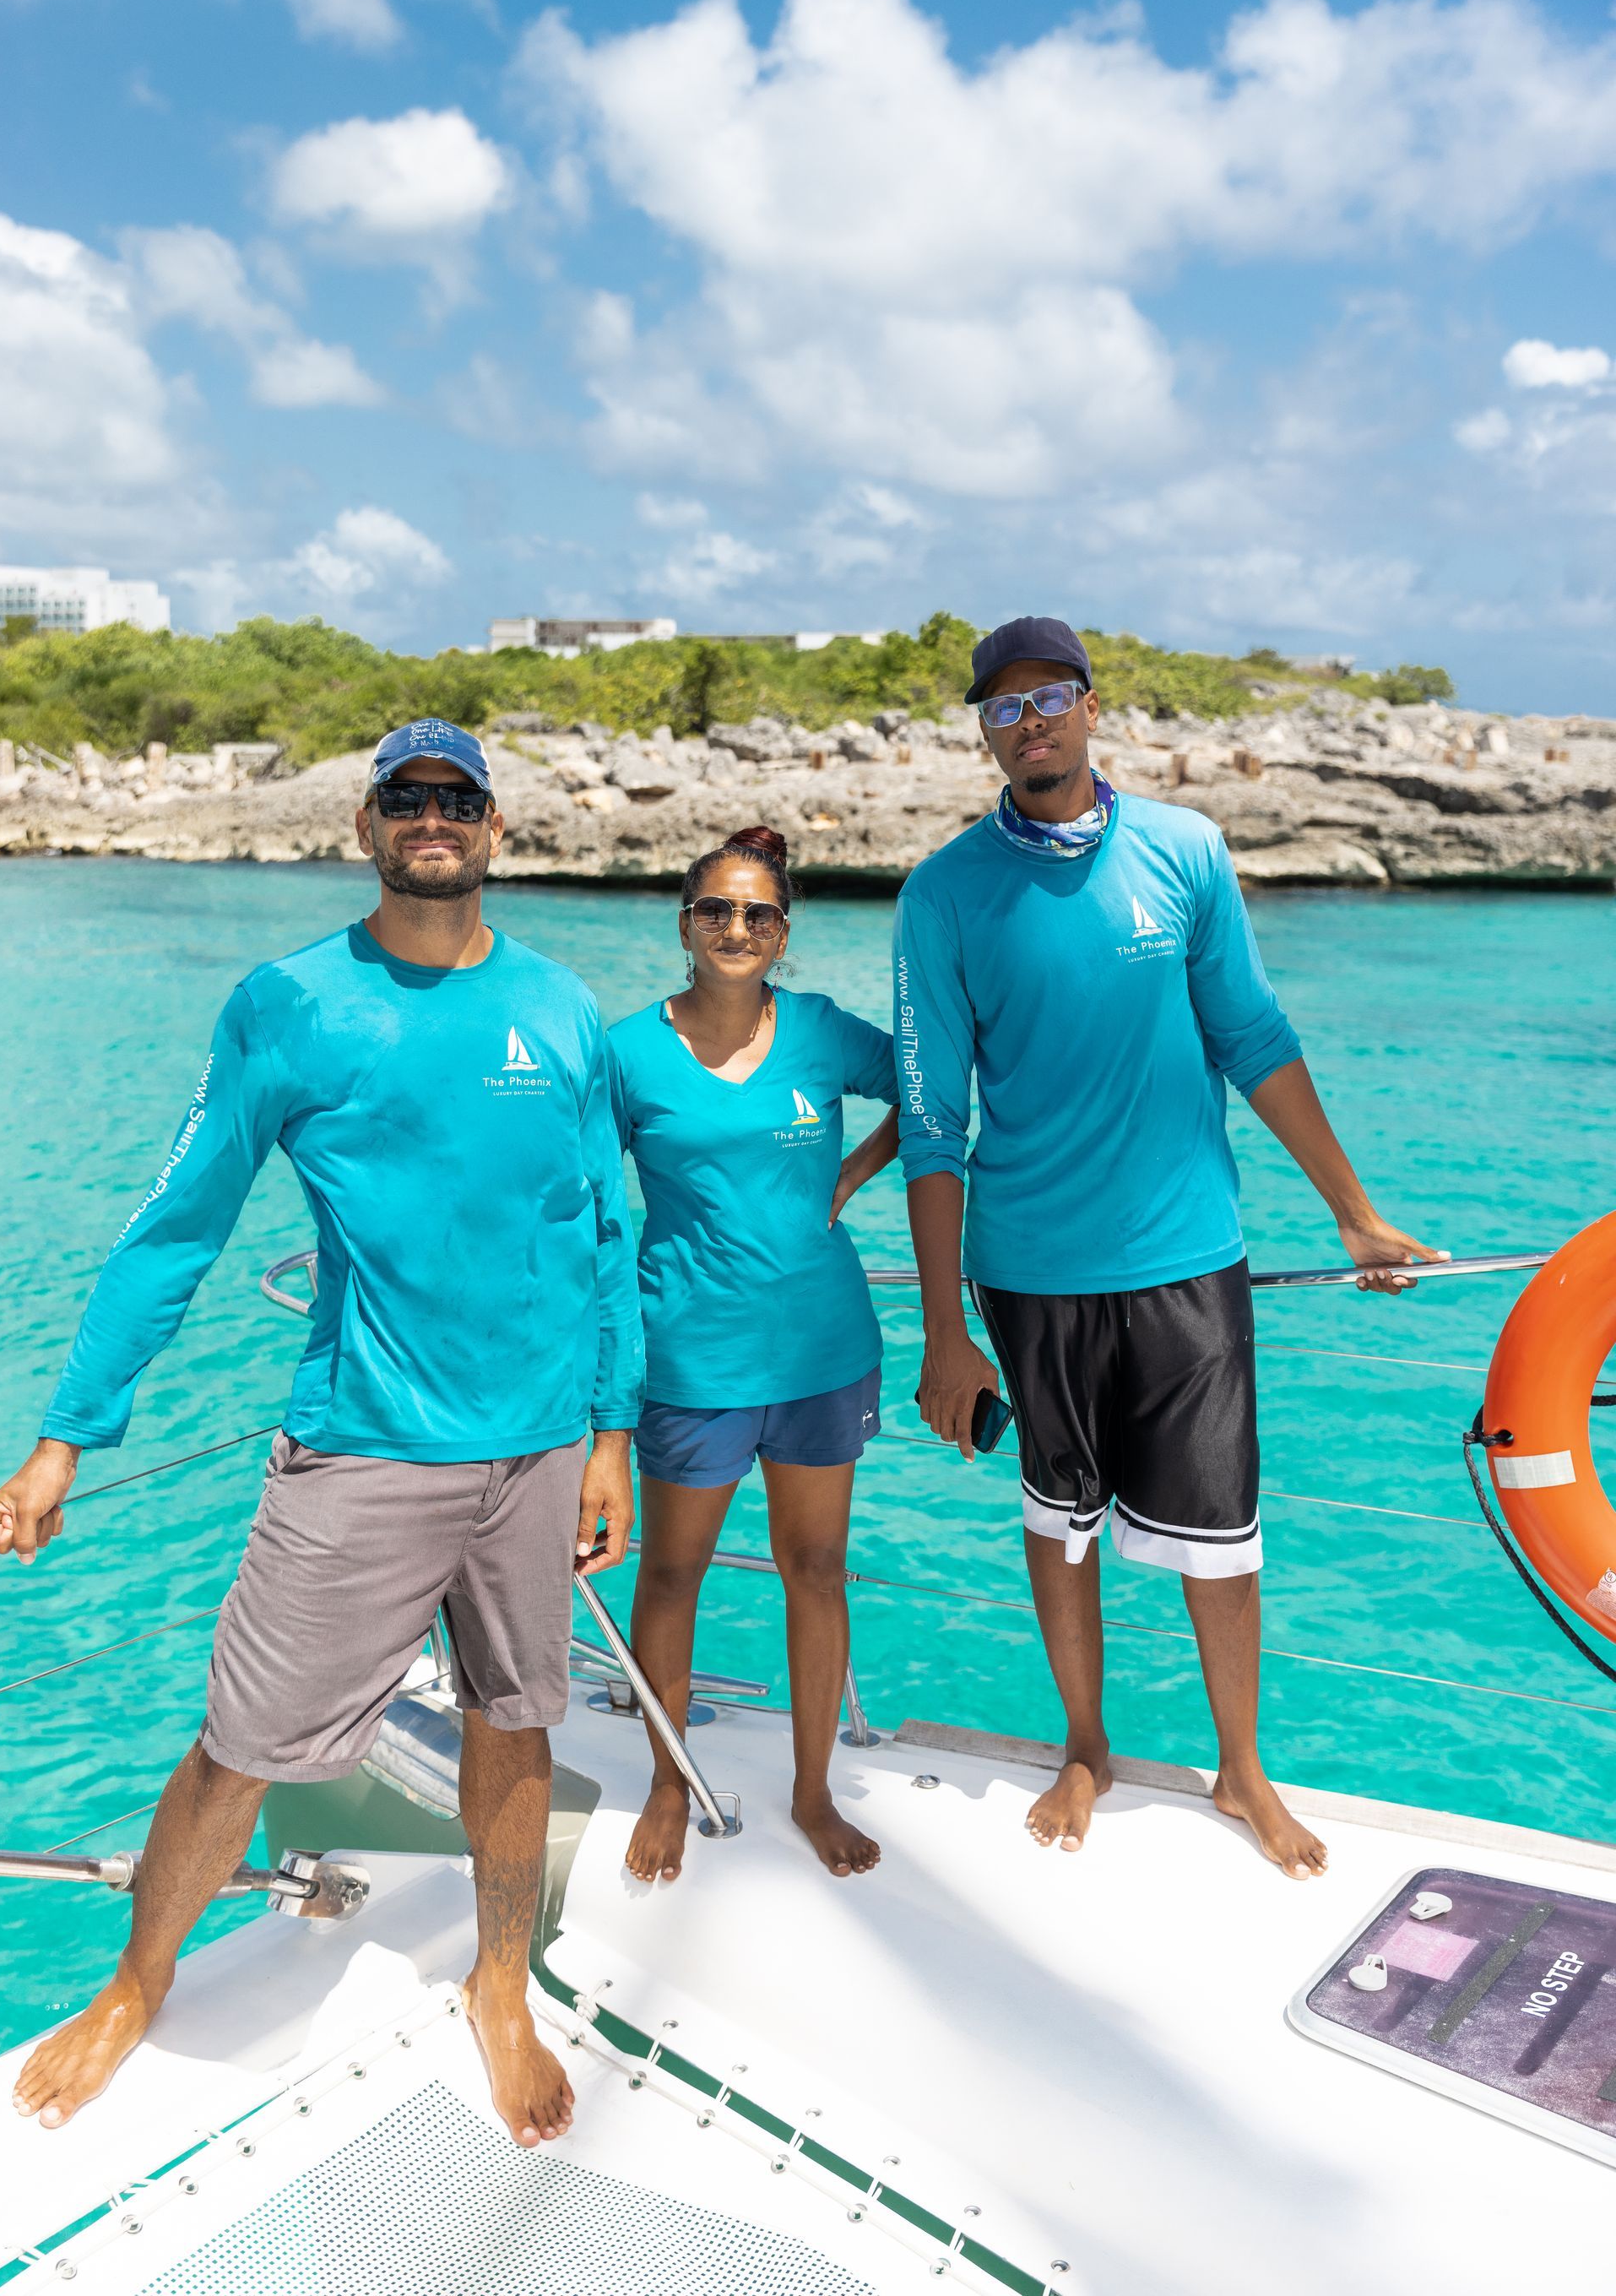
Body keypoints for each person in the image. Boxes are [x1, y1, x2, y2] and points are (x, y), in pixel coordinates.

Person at [0, 718, 643, 2144]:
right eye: (404, 798)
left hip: (537, 1449)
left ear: (492, 827)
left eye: (456, 797)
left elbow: (601, 1229)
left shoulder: (562, 1007)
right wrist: (66, 1435)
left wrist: (611, 1430)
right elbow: (178, 1228)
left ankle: (499, 1977)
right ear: (364, 827)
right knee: (243, 1741)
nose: (432, 817)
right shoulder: (290, 1004)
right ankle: (133, 1978)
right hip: (364, 1447)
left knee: (518, 1722)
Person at [894, 618, 1445, 1879]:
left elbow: (1251, 1030)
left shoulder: (1185, 850)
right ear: (983, 729)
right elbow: (934, 1117)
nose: (1028, 723)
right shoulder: (944, 891)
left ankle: (1242, 1764)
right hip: (1029, 1268)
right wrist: (942, 1329)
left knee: (1223, 1534)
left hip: (1191, 1256)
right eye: (1002, 708)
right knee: (1058, 1521)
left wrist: (1349, 1209)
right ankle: (1084, 1744)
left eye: (1049, 699)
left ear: (1093, 708)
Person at [608, 825, 899, 1883]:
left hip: (824, 1348)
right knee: (674, 1570)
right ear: (685, 923)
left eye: (759, 913)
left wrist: (857, 1172)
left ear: (784, 931)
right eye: (717, 910)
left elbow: (931, 1082)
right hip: (691, 1355)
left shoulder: (821, 1031)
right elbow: (585, 1200)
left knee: (817, 1568)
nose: (738, 927)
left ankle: (812, 1791)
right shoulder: (629, 1052)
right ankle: (667, 1779)